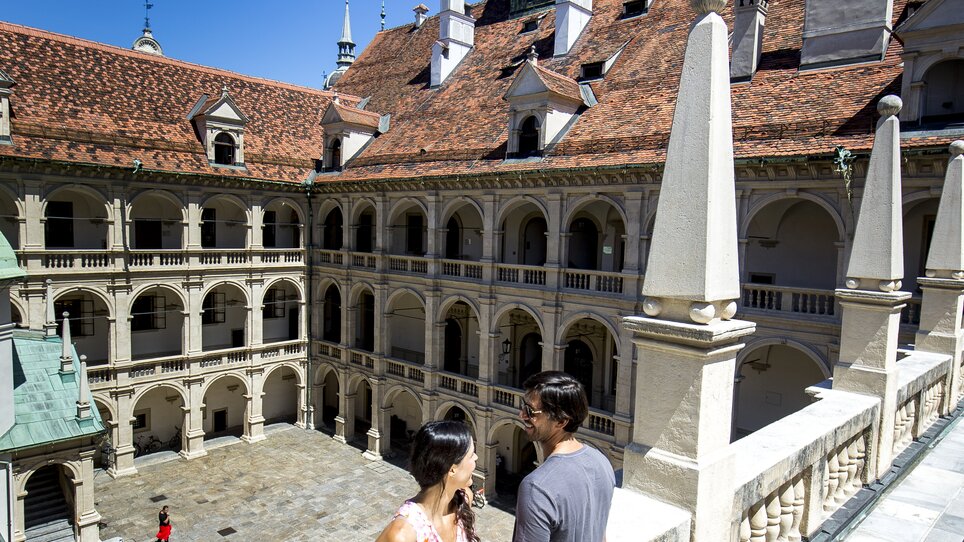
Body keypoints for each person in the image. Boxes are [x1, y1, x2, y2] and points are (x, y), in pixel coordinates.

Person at [512, 371, 616, 542]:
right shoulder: (602, 462)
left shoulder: (536, 488)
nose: (522, 415)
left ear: (561, 422)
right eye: (523, 406)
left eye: (530, 411)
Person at [376, 420, 480, 542]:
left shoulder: (464, 500)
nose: (476, 458)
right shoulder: (403, 534)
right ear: (452, 470)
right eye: (471, 455)